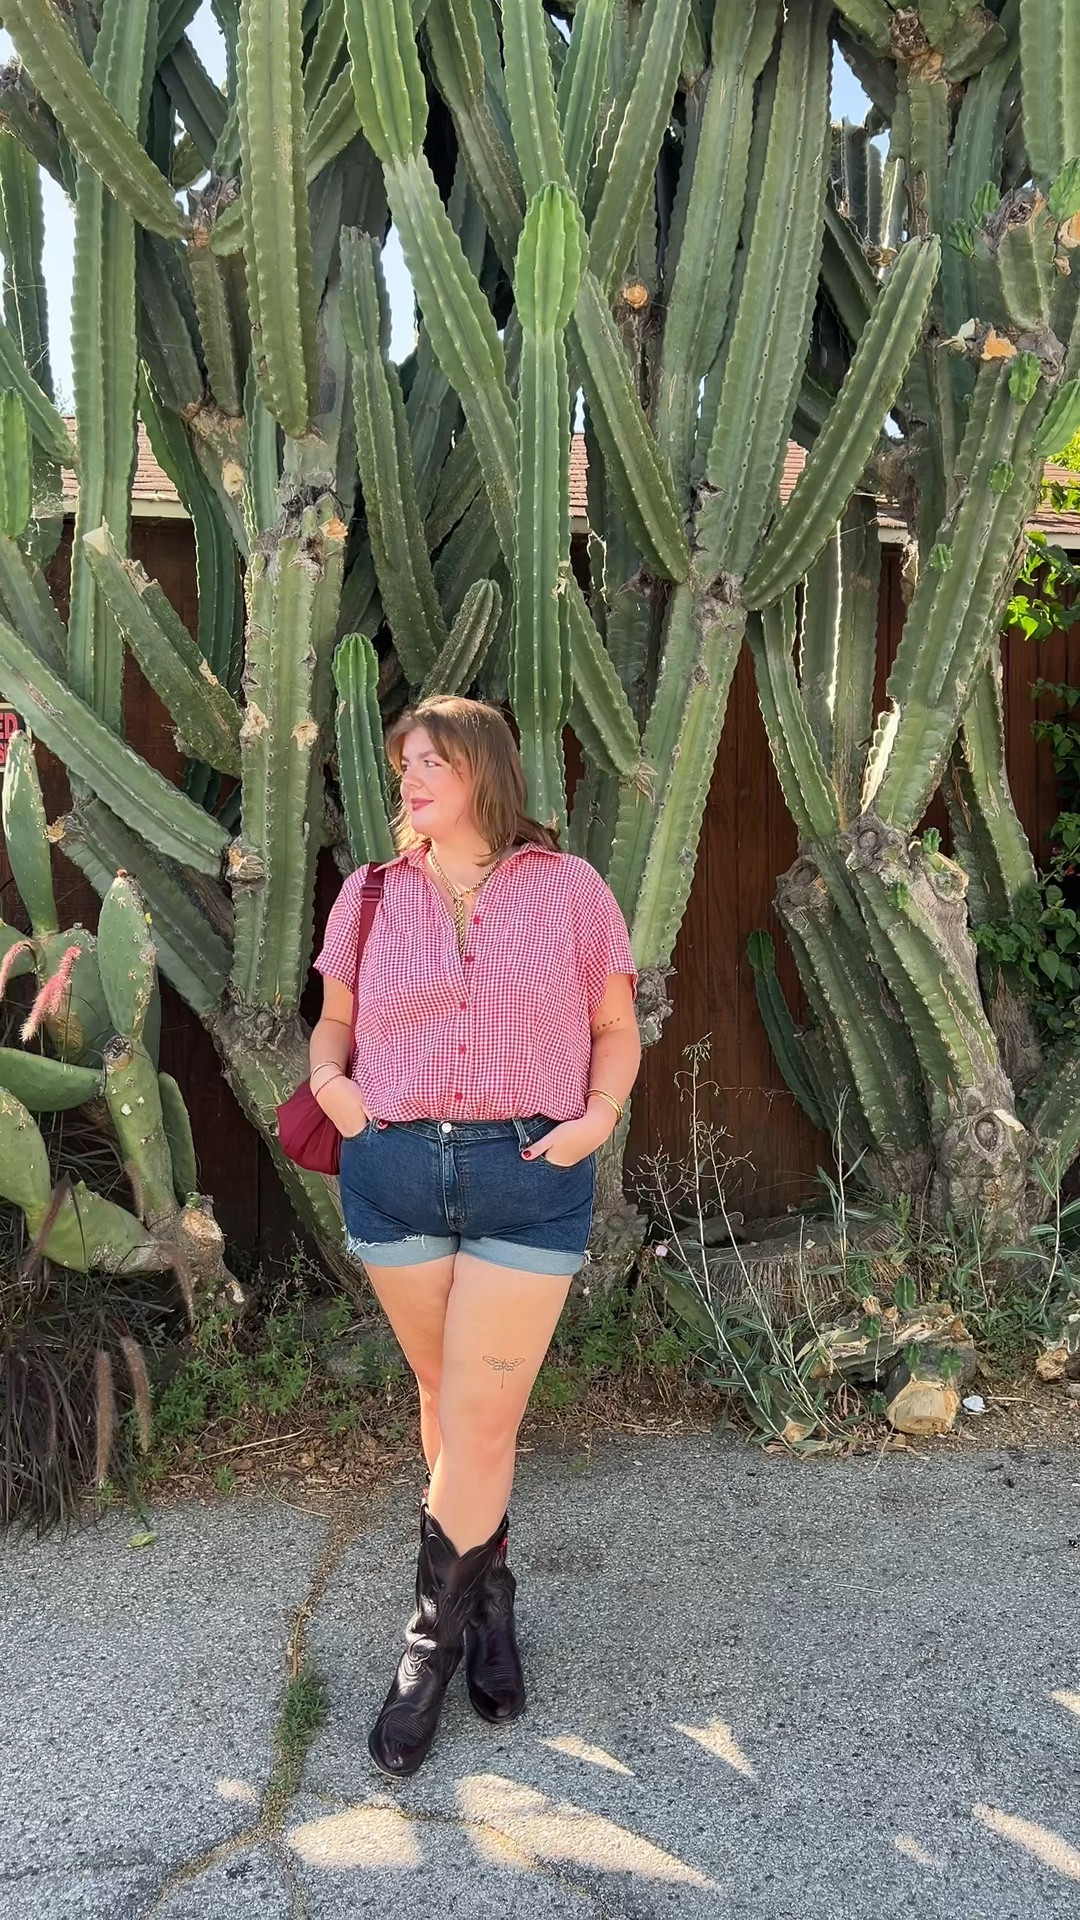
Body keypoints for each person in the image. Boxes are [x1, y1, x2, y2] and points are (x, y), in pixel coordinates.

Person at [309, 693, 641, 1778]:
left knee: (482, 1420)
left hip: (525, 1176)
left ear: (484, 773)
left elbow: (616, 1028)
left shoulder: (572, 889)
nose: (409, 779)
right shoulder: (368, 894)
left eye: (431, 763)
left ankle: (425, 1653)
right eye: (404, 762)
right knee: (447, 1405)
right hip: (395, 1173)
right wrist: (329, 1085)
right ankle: (488, 1603)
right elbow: (335, 1023)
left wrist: (596, 1116)